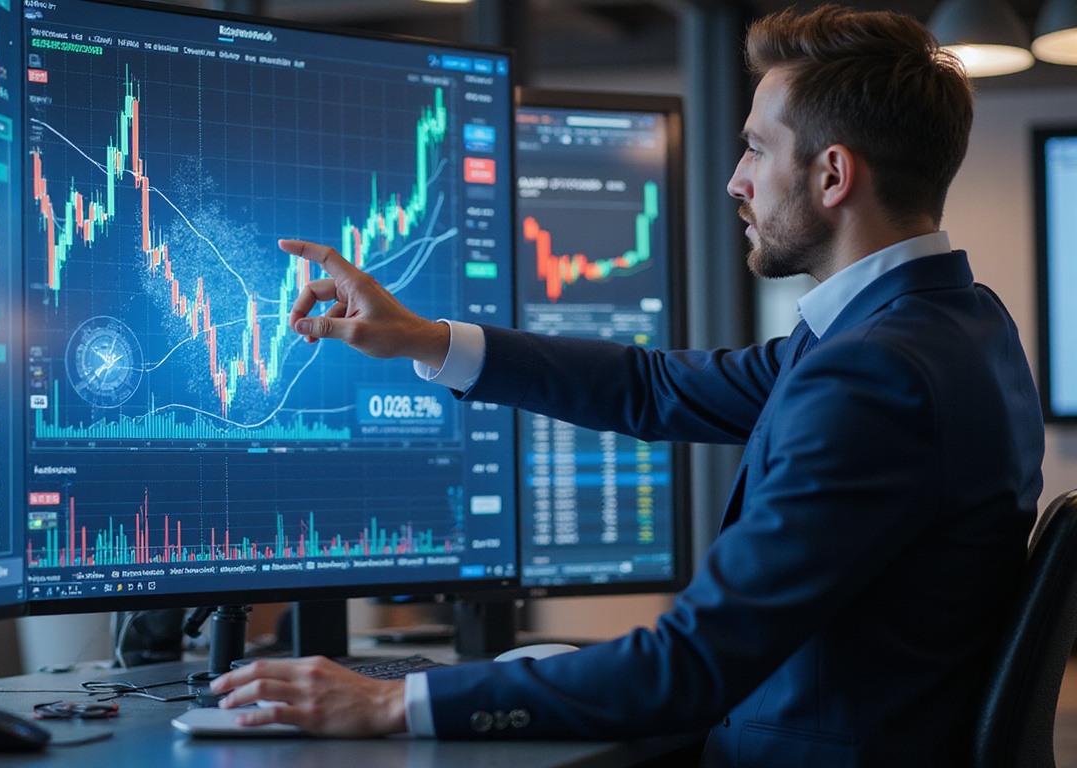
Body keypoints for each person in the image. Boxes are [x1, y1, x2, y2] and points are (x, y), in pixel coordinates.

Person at [210, 5, 1046, 765]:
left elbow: (693, 665)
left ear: (833, 176)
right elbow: (654, 386)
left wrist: (396, 701)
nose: (734, 181)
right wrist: (425, 340)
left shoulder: (875, 373)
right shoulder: (954, 323)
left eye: (756, 148)